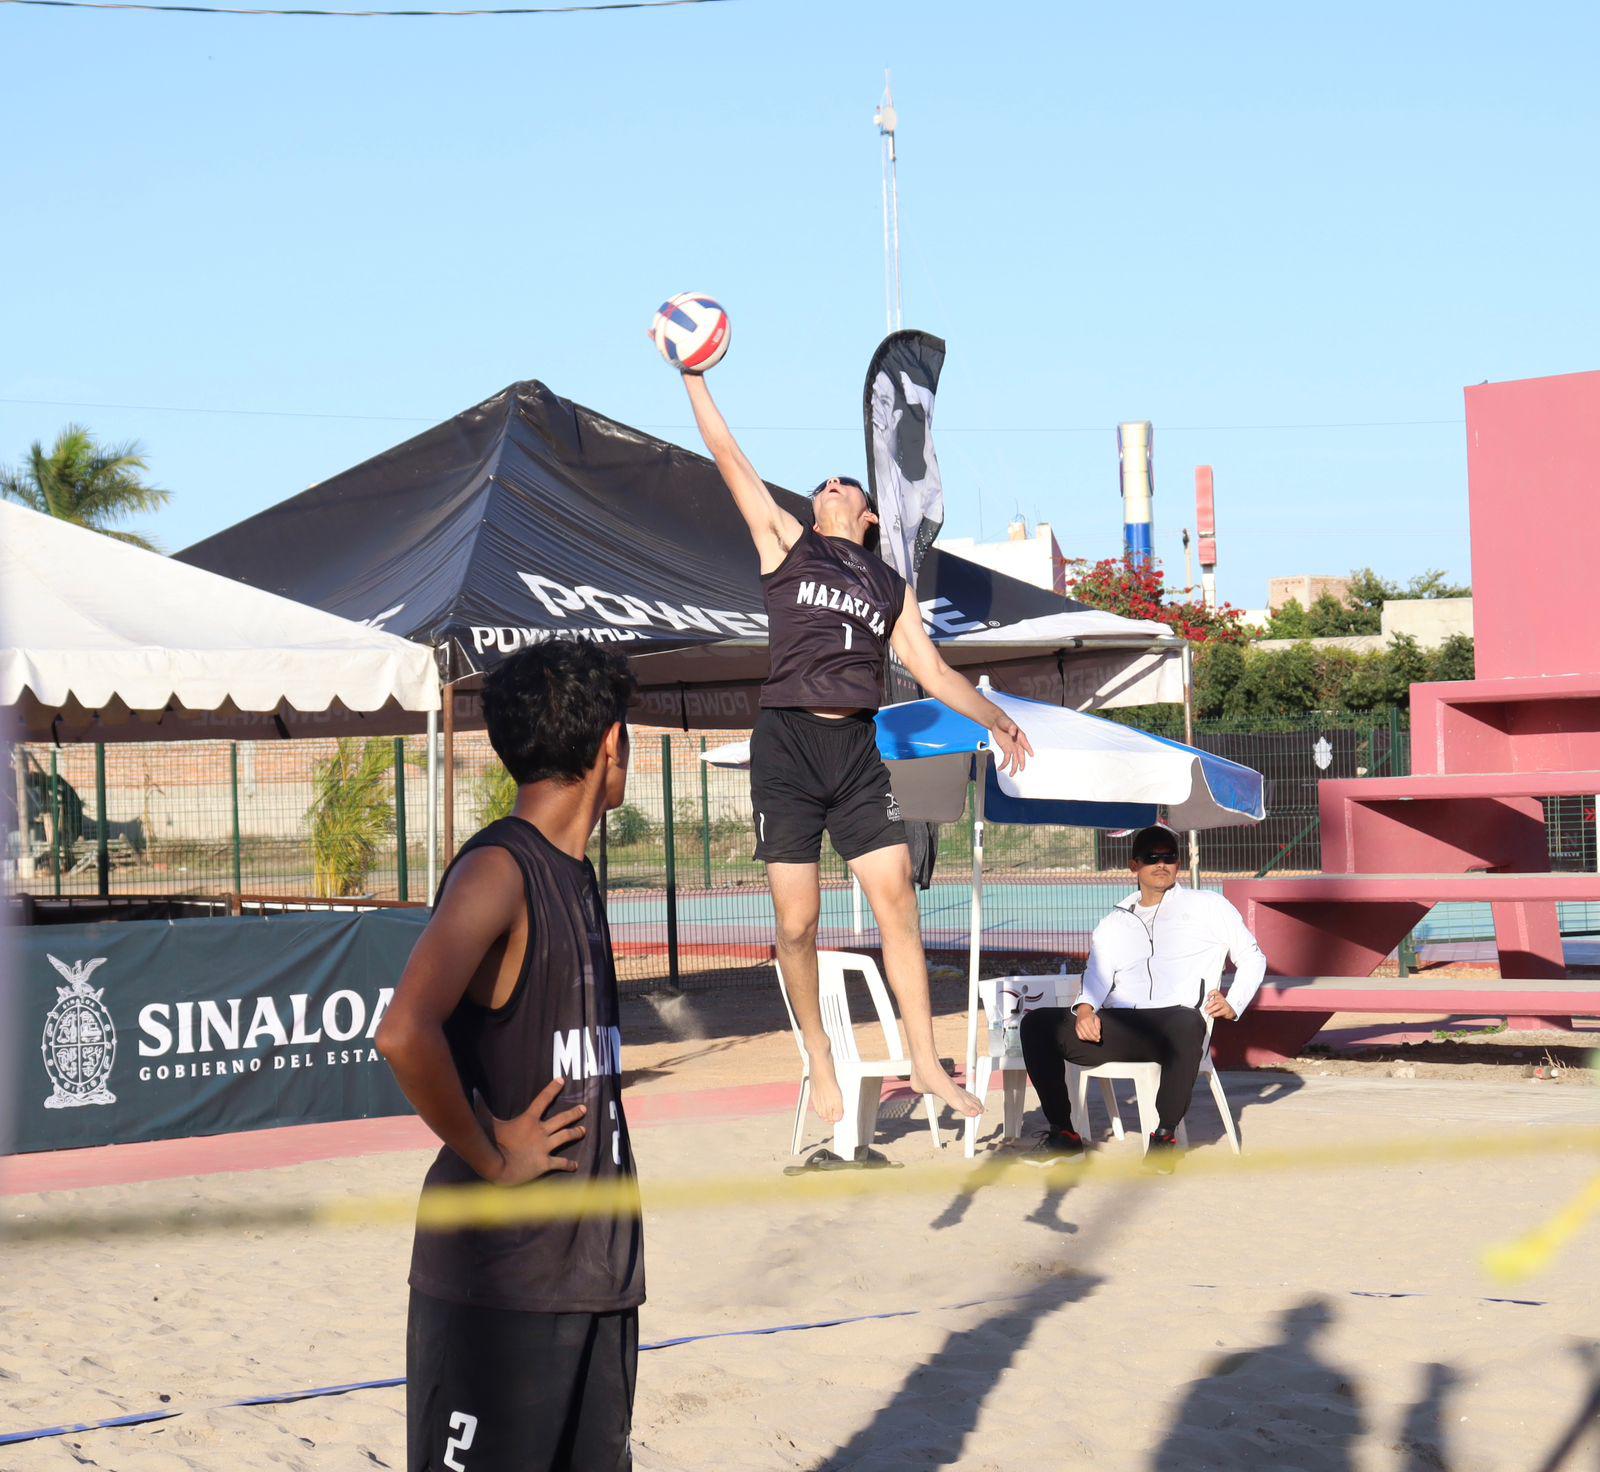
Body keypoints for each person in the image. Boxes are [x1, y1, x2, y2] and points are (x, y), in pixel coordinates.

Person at [678, 366, 1034, 1129]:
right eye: (823, 485)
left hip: (855, 751)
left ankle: (927, 1061)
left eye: (845, 484)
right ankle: (819, 1053)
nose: (831, 486)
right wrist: (694, 377)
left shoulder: (889, 585)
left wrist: (994, 717)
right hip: (788, 746)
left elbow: (933, 670)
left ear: (869, 515)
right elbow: (729, 457)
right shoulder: (787, 544)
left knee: (897, 897)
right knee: (797, 923)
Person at [376, 642, 643, 1472]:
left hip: (592, 1276)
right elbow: (402, 1032)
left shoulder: (575, 874)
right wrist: (493, 1156)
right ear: (612, 742)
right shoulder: (502, 869)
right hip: (501, 1285)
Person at [1019, 824, 1267, 1171]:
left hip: (1175, 1024)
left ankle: (1163, 1139)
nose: (1161, 864)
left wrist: (1234, 1002)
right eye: (1152, 857)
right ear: (1134, 865)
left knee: (1187, 1021)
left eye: (1169, 857)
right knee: (1036, 1023)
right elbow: (1096, 976)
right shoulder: (1114, 922)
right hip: (1121, 1027)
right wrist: (1085, 1010)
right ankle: (1064, 1135)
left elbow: (1253, 957)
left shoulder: (1208, 906)